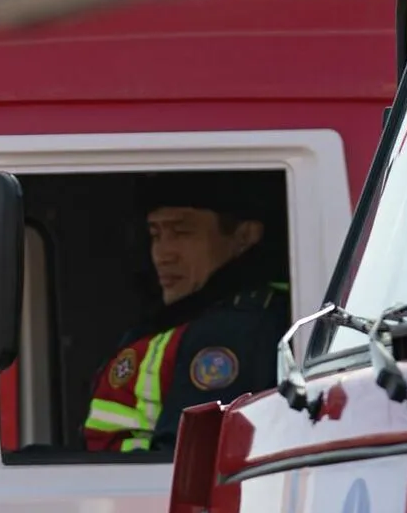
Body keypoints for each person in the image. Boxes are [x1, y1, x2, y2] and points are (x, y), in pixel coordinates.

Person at [84, 175, 288, 452]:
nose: (163, 255)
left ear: (244, 237)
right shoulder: (190, 316)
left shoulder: (235, 328)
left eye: (181, 233)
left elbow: (185, 461)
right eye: (156, 235)